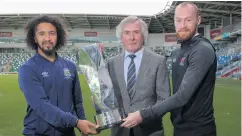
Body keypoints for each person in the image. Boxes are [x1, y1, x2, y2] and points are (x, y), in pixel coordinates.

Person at [122, 2, 217, 136]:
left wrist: (142, 114)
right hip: (180, 128)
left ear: (198, 20)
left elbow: (182, 96)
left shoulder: (202, 50)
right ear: (174, 21)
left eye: (188, 20)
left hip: (199, 130)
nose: (182, 25)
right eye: (179, 20)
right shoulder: (177, 52)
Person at [18, 15, 98, 136]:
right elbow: (42, 106)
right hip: (38, 133)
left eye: (52, 33)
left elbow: (77, 101)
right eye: (41, 34)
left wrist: (82, 122)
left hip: (67, 132)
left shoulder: (70, 66)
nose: (47, 38)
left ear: (58, 36)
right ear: (34, 38)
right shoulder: (27, 69)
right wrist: (76, 122)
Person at [107, 16, 170, 136]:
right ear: (121, 37)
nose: (131, 38)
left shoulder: (158, 61)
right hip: (120, 131)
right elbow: (108, 98)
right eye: (127, 33)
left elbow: (164, 99)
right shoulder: (111, 63)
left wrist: (142, 116)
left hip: (150, 130)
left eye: (136, 32)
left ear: (143, 36)